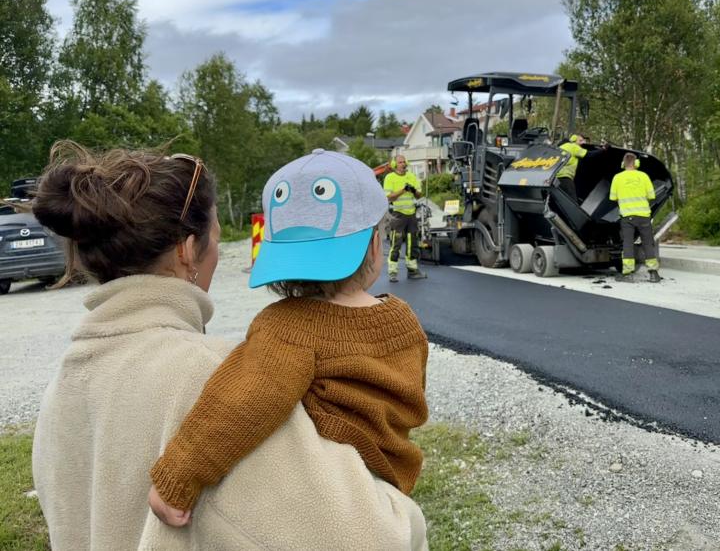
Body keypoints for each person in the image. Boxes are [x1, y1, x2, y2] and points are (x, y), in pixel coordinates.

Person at [29, 141, 427, 551]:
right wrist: (407, 517)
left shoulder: (66, 381)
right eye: (216, 239)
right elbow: (371, 539)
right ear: (187, 251)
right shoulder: (212, 375)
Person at [147, 149, 430, 526]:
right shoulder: (402, 319)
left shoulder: (287, 327)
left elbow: (240, 402)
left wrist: (177, 477)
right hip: (392, 479)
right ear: (376, 247)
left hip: (327, 497)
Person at [609, 152, 661, 283]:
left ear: (623, 164)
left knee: (628, 244)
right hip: (644, 216)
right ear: (636, 163)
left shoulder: (617, 178)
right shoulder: (643, 176)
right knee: (648, 244)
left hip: (627, 217)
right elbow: (652, 196)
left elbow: (612, 197)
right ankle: (653, 273)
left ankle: (628, 274)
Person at [383, 155, 426, 282]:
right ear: (395, 164)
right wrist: (403, 190)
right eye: (400, 162)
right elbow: (389, 197)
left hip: (411, 214)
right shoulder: (390, 178)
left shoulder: (412, 177)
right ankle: (392, 272)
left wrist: (413, 190)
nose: (403, 164)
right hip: (398, 215)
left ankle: (412, 271)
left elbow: (419, 195)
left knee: (412, 244)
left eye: (404, 162)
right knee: (395, 244)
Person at [556, 134, 587, 201]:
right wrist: (602, 150)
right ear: (574, 141)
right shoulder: (573, 147)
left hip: (555, 177)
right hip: (565, 176)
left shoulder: (560, 148)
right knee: (572, 201)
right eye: (581, 141)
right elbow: (588, 154)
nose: (583, 142)